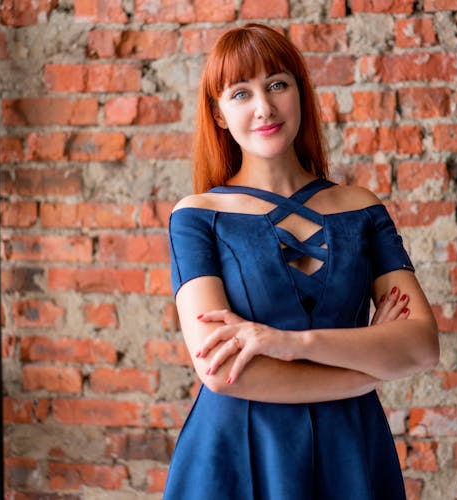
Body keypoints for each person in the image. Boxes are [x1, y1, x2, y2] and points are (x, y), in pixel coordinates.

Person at [165, 23, 439, 500]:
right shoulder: (196, 217)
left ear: (299, 93)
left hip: (351, 450)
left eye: (277, 85)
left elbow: (421, 346)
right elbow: (223, 371)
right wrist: (369, 369)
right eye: (241, 93)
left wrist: (290, 344)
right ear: (219, 114)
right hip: (237, 453)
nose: (264, 107)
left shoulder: (361, 208)